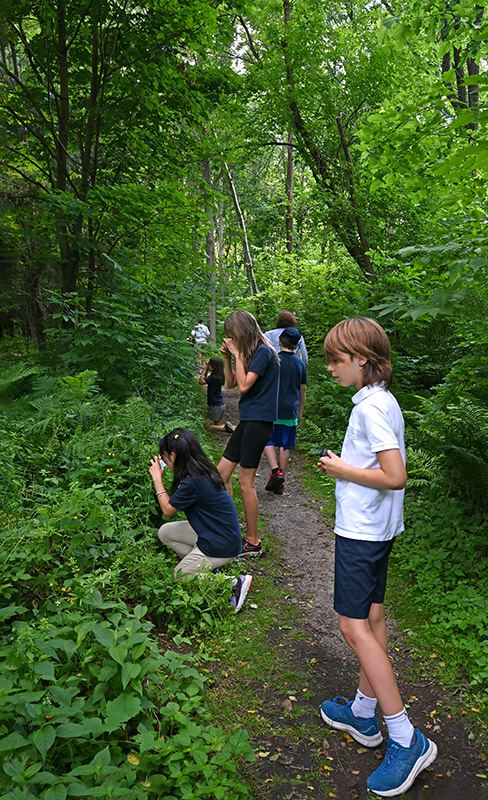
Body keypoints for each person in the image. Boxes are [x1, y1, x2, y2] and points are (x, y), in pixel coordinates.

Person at [317, 318, 437, 797]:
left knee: (352, 626)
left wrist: (342, 469)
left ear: (361, 359)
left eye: (335, 360)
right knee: (373, 615)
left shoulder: (371, 409)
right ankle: (364, 715)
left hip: (363, 533)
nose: (329, 369)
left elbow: (395, 475)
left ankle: (406, 738)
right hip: (379, 530)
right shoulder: (382, 401)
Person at [149, 428, 252, 612]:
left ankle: (232, 585)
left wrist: (157, 478)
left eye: (164, 458)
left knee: (179, 576)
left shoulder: (193, 481)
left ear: (173, 455)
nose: (164, 462)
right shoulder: (200, 470)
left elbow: (167, 509)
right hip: (215, 532)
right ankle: (209, 570)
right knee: (165, 532)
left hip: (221, 542)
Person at [217, 309, 280, 557]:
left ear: (242, 332)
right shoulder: (251, 353)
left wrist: (237, 354)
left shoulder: (264, 352)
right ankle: (227, 528)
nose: (230, 340)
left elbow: (243, 386)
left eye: (232, 336)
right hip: (248, 421)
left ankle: (253, 541)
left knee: (245, 483)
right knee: (220, 475)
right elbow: (230, 384)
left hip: (259, 423)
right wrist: (229, 359)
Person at [264, 327, 307, 495]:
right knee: (285, 445)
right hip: (291, 409)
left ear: (279, 342)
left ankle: (275, 471)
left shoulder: (273, 361)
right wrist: (300, 411)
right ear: (297, 346)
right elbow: (302, 390)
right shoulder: (300, 364)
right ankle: (280, 481)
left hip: (271, 408)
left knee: (269, 441)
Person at [198, 357, 235, 433]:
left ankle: (228, 428)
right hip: (221, 405)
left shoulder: (214, 378)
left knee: (207, 426)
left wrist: (205, 369)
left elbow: (201, 381)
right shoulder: (218, 376)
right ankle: (233, 428)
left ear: (213, 366)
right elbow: (206, 378)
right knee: (217, 426)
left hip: (215, 406)